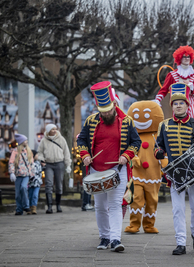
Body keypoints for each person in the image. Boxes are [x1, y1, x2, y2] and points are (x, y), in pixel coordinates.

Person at [77, 81, 141, 252]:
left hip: (117, 170)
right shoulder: (91, 121)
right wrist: (85, 155)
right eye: (103, 112)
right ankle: (104, 237)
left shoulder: (127, 121)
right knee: (99, 206)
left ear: (114, 105)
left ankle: (115, 239)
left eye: (109, 111)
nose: (106, 114)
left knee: (114, 205)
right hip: (95, 170)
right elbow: (81, 140)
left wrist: (126, 155)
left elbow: (136, 142)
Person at [154, 83, 194, 255]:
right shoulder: (164, 125)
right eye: (175, 103)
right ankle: (180, 242)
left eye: (181, 103)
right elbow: (158, 146)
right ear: (172, 106)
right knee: (177, 209)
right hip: (175, 174)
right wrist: (158, 152)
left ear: (187, 105)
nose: (178, 106)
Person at [124, 100, 167, 234]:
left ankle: (149, 225)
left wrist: (165, 163)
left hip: (153, 175)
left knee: (152, 201)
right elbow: (128, 150)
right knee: (136, 200)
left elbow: (163, 152)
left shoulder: (158, 136)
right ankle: (134, 224)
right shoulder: (133, 136)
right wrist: (133, 158)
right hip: (136, 174)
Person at [154, 45, 194, 120]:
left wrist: (191, 86)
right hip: (178, 104)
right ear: (179, 58)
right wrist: (157, 100)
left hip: (192, 105)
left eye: (188, 57)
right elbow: (164, 89)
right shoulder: (172, 75)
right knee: (178, 126)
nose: (187, 59)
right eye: (184, 57)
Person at [37, 123, 72, 214]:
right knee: (49, 184)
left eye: (55, 129)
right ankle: (49, 206)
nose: (54, 131)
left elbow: (66, 152)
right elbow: (39, 152)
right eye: (52, 129)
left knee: (59, 185)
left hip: (59, 164)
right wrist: (41, 159)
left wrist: (68, 165)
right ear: (48, 131)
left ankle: (58, 205)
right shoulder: (44, 141)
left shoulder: (61, 139)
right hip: (48, 164)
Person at [8, 134, 34, 215]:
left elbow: (31, 163)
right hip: (17, 175)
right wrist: (12, 172)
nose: (27, 141)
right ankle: (19, 209)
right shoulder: (15, 151)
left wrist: (32, 173)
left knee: (23, 187)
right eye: (25, 140)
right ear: (21, 142)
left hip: (26, 174)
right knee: (18, 193)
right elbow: (11, 162)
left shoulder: (28, 151)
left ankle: (26, 206)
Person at [28, 150, 43, 215]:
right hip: (30, 183)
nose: (37, 156)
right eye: (36, 154)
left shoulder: (38, 163)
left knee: (35, 195)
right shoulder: (29, 163)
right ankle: (29, 207)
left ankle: (34, 207)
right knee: (30, 195)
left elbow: (40, 172)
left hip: (37, 183)